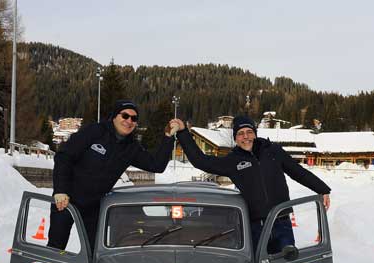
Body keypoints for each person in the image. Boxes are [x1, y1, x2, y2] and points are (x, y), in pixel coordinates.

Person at [173, 115, 331, 254]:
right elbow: (201, 161)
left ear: (255, 134)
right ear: (236, 138)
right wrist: (182, 133)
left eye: (249, 132)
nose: (245, 137)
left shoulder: (273, 151)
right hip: (255, 227)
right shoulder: (232, 161)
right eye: (240, 134)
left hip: (281, 222)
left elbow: (298, 172)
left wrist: (322, 189)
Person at [49, 100, 178, 251]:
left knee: (95, 253)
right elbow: (64, 157)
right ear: (114, 117)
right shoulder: (95, 131)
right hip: (67, 200)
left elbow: (156, 165)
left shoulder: (131, 148)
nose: (129, 121)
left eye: (134, 118)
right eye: (125, 115)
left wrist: (168, 137)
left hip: (94, 207)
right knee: (56, 249)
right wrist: (60, 190)